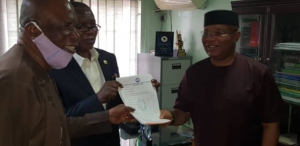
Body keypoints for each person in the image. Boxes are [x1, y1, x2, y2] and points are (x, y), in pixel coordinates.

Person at [0, 0, 135, 145]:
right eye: (66, 27)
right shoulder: (13, 78)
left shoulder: (40, 67)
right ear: (33, 30)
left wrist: (106, 117)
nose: (76, 36)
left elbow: (58, 126)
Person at [160, 10, 283, 146]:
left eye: (219, 33)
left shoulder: (258, 73)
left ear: (236, 36)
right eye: (206, 33)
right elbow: (184, 111)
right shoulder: (194, 73)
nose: (210, 39)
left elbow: (270, 125)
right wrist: (170, 117)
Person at [49, 2, 160, 146]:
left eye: (93, 26)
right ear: (68, 28)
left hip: (111, 140)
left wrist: (142, 91)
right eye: (82, 27)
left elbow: (116, 102)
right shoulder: (56, 68)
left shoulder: (108, 58)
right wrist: (97, 98)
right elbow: (61, 119)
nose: (91, 31)